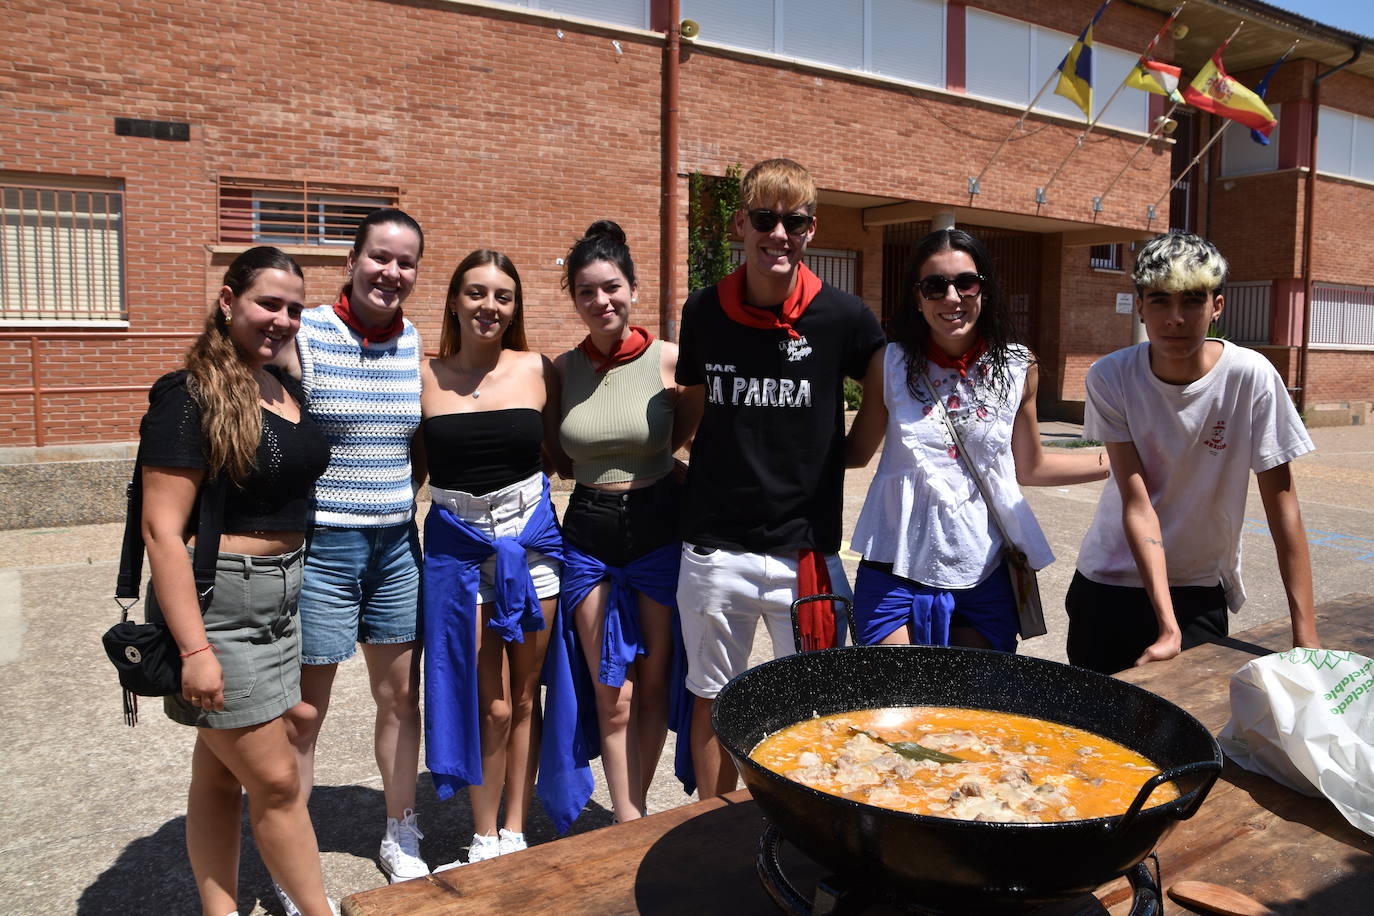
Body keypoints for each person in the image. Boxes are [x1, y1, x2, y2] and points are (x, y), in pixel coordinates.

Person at [675, 158, 886, 797]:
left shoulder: (843, 316)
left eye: (793, 222)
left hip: (808, 555)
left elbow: (883, 377)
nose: (778, 234)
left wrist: (851, 451)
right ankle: (712, 839)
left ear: (811, 230)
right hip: (717, 549)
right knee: (712, 702)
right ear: (741, 223)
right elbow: (690, 403)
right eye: (764, 219)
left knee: (813, 713)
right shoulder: (704, 311)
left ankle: (800, 837)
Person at [139, 246, 334, 916]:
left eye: (292, 308)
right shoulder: (187, 396)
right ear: (228, 302)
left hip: (283, 599)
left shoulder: (281, 386)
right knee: (277, 782)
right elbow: (163, 532)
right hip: (220, 603)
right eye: (266, 303)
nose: (281, 319)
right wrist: (194, 651)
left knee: (221, 773)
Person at [1066, 231, 1321, 674]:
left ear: (1216, 306)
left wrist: (1307, 639)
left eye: (1192, 301)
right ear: (1141, 307)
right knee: (1095, 734)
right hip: (1107, 583)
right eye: (1161, 301)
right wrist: (1167, 628)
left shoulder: (1251, 377)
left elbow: (1284, 509)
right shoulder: (1111, 377)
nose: (1176, 318)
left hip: (1198, 586)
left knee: (1196, 733)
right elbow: (1136, 500)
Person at [845, 228, 1109, 651]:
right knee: (890, 706)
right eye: (935, 286)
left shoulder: (1019, 367)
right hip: (894, 564)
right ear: (918, 298)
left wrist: (1121, 460)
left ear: (983, 289)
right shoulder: (890, 363)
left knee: (971, 712)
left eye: (965, 283)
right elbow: (856, 452)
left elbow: (1032, 466)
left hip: (985, 571)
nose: (952, 298)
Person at [277, 209, 428, 886]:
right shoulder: (304, 331)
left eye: (405, 262)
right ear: (351, 261)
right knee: (305, 710)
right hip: (323, 547)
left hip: (396, 544)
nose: (391, 273)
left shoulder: (413, 340)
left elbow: (412, 449)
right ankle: (289, 851)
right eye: (380, 257)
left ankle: (401, 830)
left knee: (400, 700)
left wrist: (396, 500)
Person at [546, 220, 700, 826]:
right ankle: (627, 819)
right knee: (613, 693)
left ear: (632, 289)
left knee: (655, 682)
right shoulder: (561, 370)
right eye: (586, 291)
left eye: (611, 287)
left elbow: (685, 430)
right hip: (587, 534)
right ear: (575, 300)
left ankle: (635, 803)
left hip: (658, 531)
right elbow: (556, 451)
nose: (600, 301)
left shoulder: (671, 361)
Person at [417, 249, 562, 867]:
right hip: (458, 552)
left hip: (530, 547)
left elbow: (564, 453)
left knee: (526, 697)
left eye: (503, 296)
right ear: (453, 301)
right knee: (490, 702)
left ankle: (514, 828)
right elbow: (410, 469)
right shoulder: (423, 374)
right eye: (476, 293)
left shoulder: (538, 368)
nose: (490, 307)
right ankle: (482, 836)